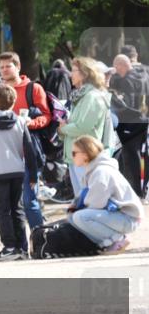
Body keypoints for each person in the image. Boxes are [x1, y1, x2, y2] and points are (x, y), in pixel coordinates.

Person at [0, 52, 51, 230]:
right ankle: (17, 246)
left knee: (28, 201)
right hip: (4, 154)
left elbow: (46, 115)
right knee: (9, 206)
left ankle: (39, 239)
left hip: (27, 151)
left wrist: (31, 123)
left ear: (18, 67)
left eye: (8, 66)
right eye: (1, 67)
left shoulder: (33, 88)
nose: (4, 70)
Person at [0, 83, 40, 260]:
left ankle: (9, 246)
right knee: (17, 209)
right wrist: (33, 174)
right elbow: (29, 149)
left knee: (3, 210)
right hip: (17, 171)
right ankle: (21, 247)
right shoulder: (20, 121)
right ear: (14, 102)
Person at [68, 135, 145, 252]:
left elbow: (96, 204)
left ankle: (118, 239)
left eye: (74, 153)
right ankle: (106, 244)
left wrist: (77, 209)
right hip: (120, 216)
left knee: (80, 217)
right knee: (73, 217)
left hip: (129, 218)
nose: (71, 156)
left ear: (85, 154)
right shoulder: (93, 170)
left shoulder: (100, 172)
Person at [58, 57, 112, 197]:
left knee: (88, 200)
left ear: (84, 73)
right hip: (77, 156)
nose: (70, 74)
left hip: (86, 156)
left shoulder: (91, 97)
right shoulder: (81, 96)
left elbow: (83, 127)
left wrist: (63, 128)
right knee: (81, 200)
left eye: (74, 70)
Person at [110, 54, 149, 195]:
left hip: (131, 122)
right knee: (142, 156)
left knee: (131, 156)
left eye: (116, 66)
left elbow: (126, 105)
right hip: (144, 120)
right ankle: (143, 189)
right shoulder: (144, 76)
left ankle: (135, 191)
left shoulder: (126, 80)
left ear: (122, 64)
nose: (115, 70)